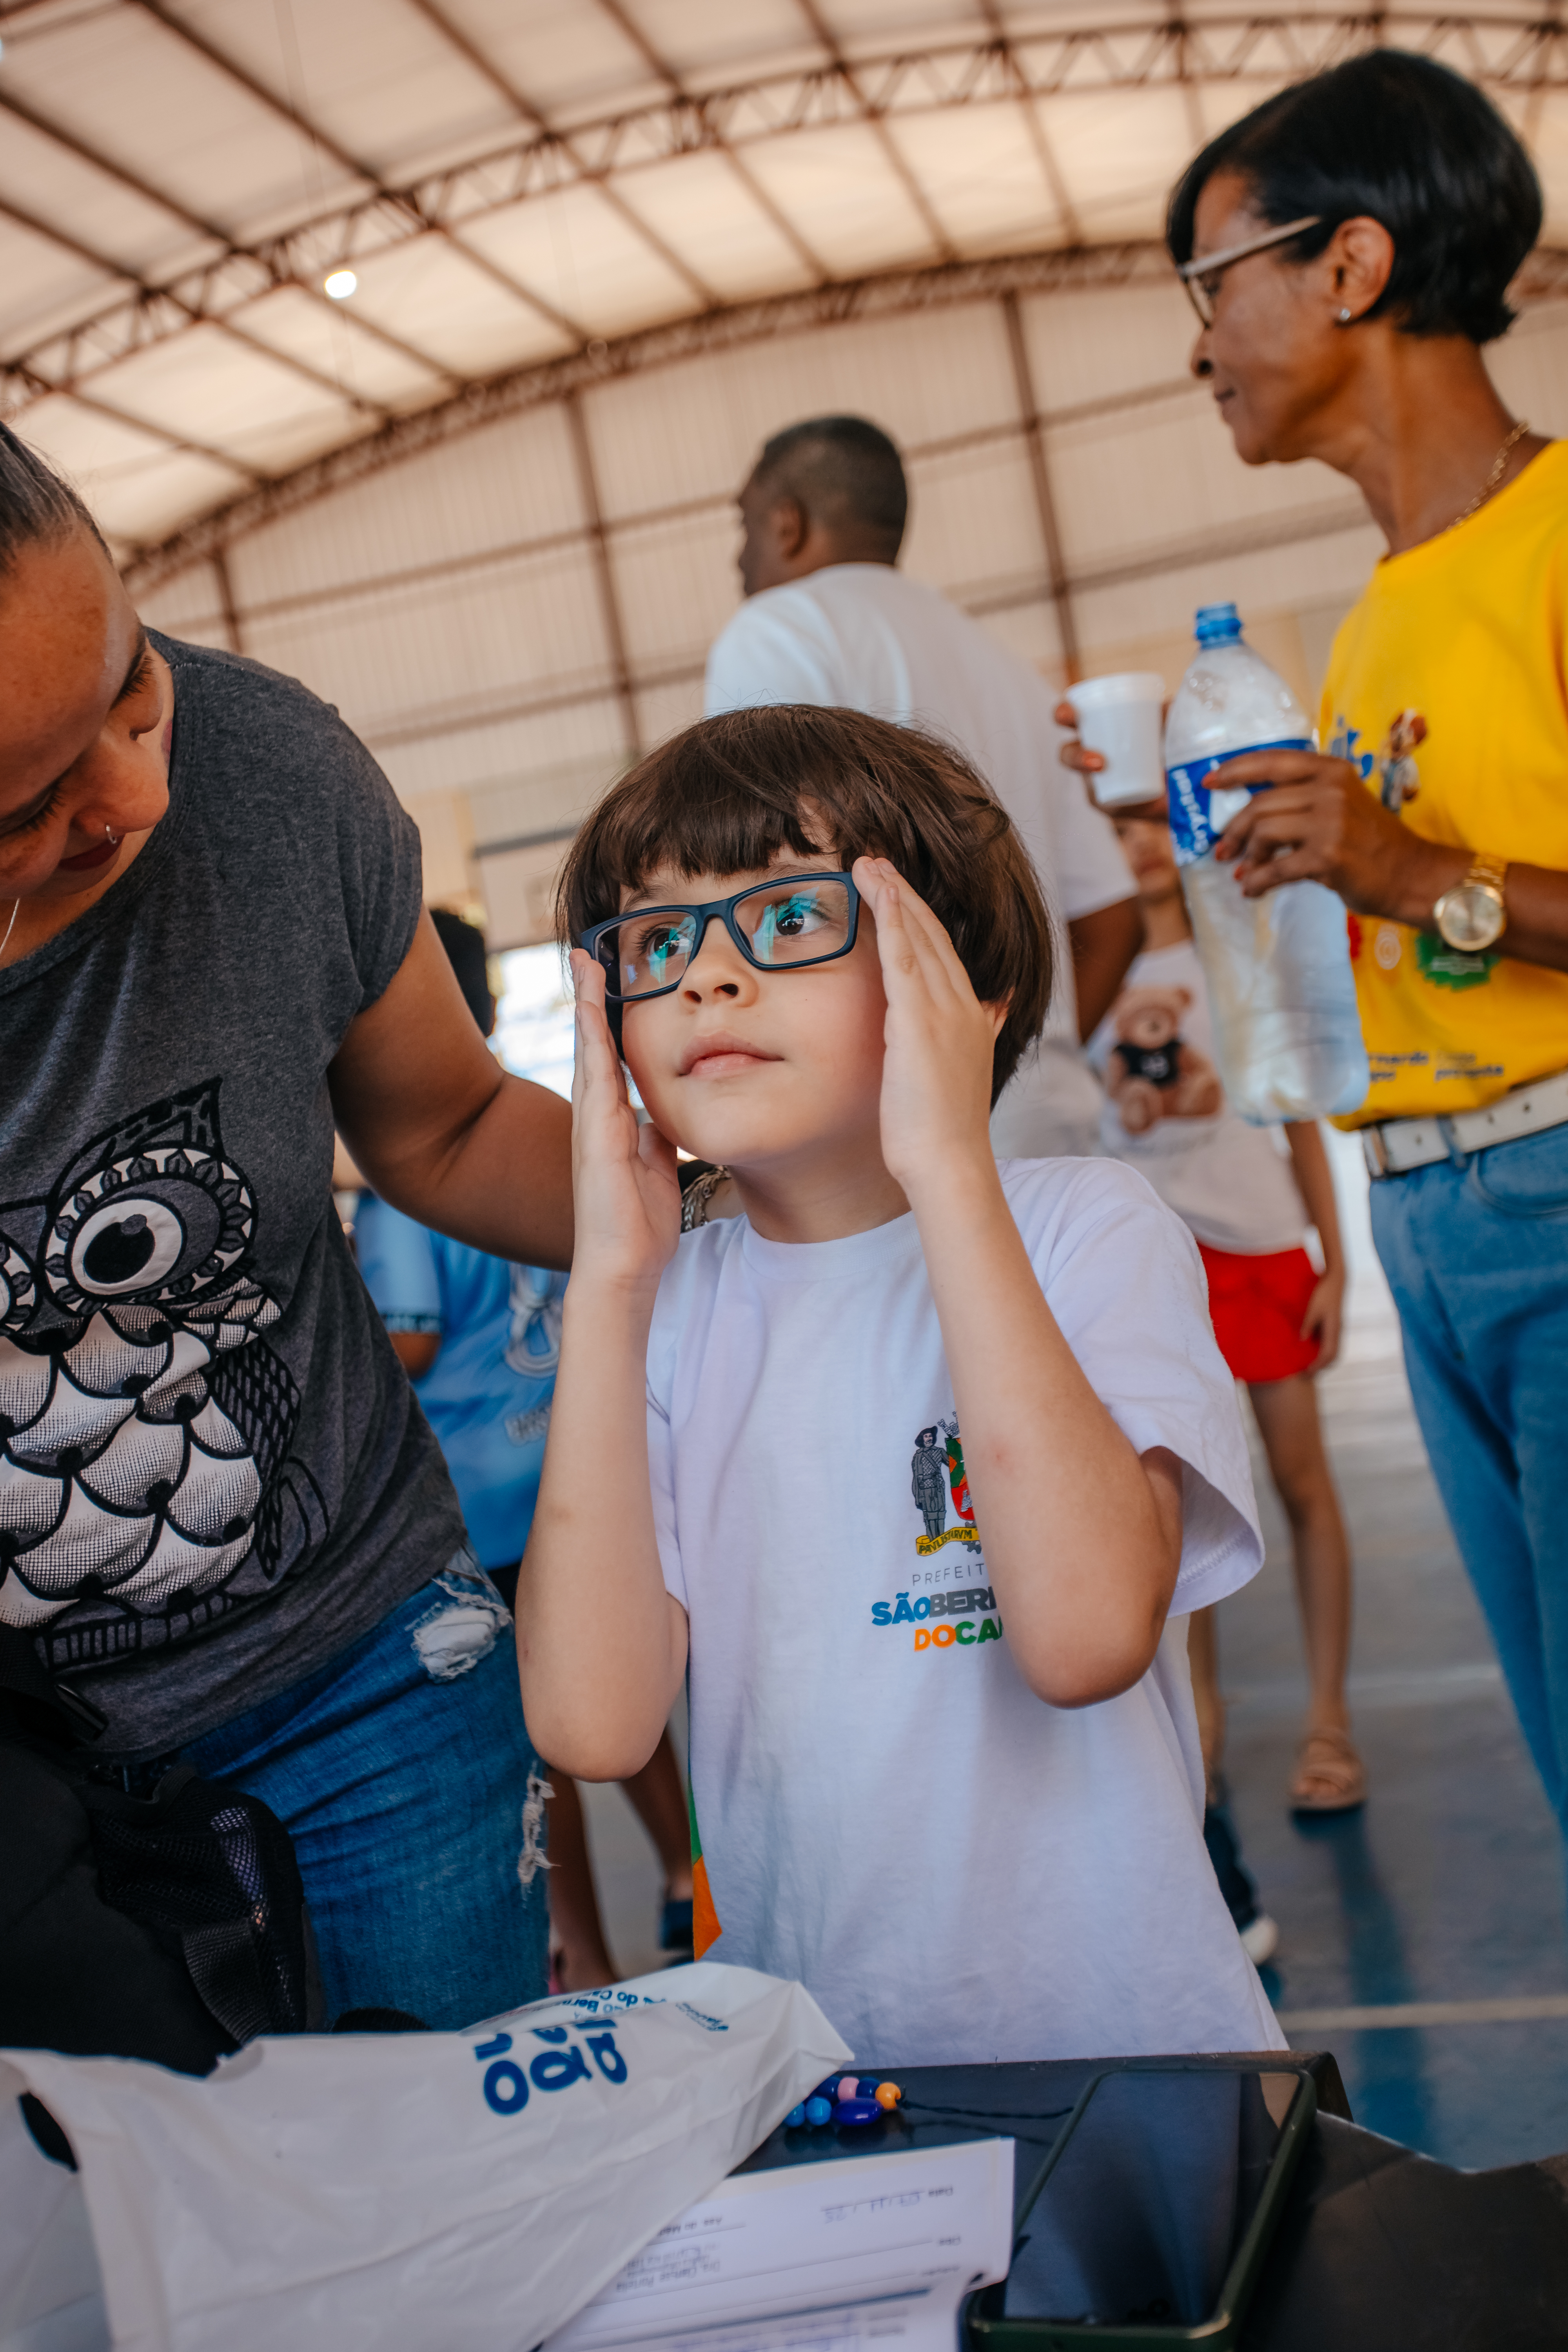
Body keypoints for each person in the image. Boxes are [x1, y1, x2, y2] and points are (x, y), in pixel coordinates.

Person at [517, 703, 1283, 2063]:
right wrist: (612, 1284)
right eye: (659, 940)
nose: (709, 979)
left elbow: (1086, 1638)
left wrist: (946, 1170)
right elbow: (591, 1719)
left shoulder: (1081, 1231)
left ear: (967, 983)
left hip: (1130, 2066)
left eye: (791, 917)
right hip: (825, 2081)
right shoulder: (669, 1314)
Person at [0, 426, 572, 2032]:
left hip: (361, 1675)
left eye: (128, 682)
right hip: (28, 1791)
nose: (139, 791)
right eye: (28, 805)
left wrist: (766, 1180)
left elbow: (447, 1125)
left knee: (450, 2223)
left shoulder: (267, 773)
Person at [1145, 53, 1568, 1855]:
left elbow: (1434, 884)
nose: (1194, 346)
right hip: (1431, 1226)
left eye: (1207, 282)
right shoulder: (1373, 616)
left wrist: (1416, 872)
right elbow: (1380, 911)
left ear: (1347, 268)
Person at [354, 907, 694, 1984]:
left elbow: (406, 1341)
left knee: (545, 1754)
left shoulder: (409, 1192)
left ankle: (586, 1960)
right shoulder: (548, 1134)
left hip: (489, 1514)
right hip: (571, 1462)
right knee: (636, 1705)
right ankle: (695, 1877)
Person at [704, 416, 1142, 1158]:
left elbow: (759, 892)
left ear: (787, 524)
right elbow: (1114, 921)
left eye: (743, 525)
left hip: (887, 1153)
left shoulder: (779, 631)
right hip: (1050, 1131)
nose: (737, 555)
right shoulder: (1009, 672)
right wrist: (1011, 1060)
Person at [1088, 811, 1362, 1832]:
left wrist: (1329, 1256)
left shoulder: (1232, 951)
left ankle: (1329, 1718)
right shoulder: (1091, 971)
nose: (1140, 845)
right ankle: (1196, 1729)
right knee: (1173, 1503)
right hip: (1155, 1262)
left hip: (1260, 1248)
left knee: (1302, 1486)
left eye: (1154, 822)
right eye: (1115, 831)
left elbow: (1293, 1112)